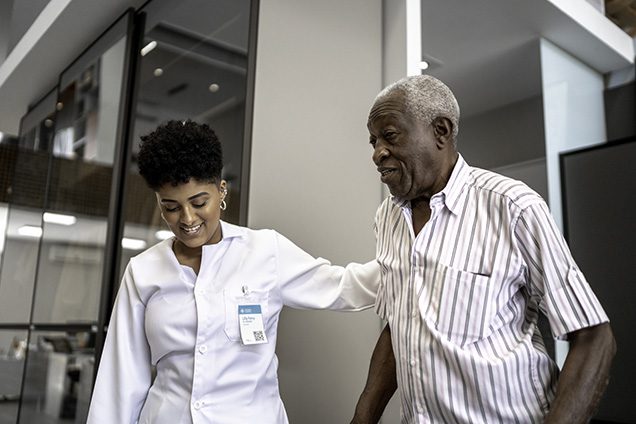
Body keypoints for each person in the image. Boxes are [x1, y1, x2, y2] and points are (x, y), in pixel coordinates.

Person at [350, 75, 616, 423]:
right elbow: (400, 324)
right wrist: (363, 417)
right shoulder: (387, 217)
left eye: (390, 136)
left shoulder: (513, 206)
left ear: (441, 132)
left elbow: (594, 336)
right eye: (373, 141)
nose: (377, 153)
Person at [86, 120, 379, 424]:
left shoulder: (265, 251)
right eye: (171, 207)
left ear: (221, 190)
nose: (187, 219)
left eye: (199, 202)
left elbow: (344, 287)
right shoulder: (143, 271)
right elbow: (121, 378)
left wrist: (416, 263)